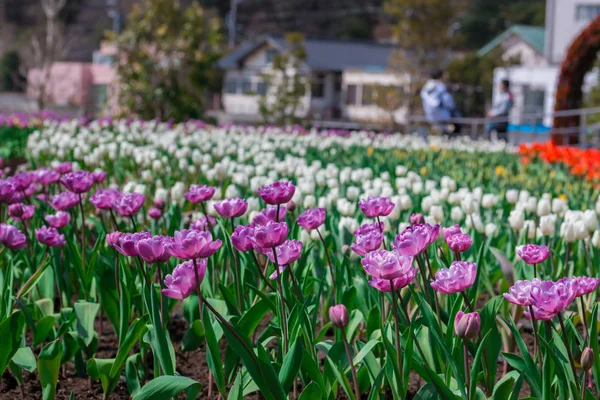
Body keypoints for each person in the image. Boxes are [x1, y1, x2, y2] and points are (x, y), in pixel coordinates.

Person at [420, 70, 457, 136]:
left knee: (433, 134)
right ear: (440, 76)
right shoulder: (440, 86)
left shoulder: (427, 85)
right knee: (445, 134)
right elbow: (447, 100)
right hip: (442, 115)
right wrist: (452, 107)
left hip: (429, 115)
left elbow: (424, 96)